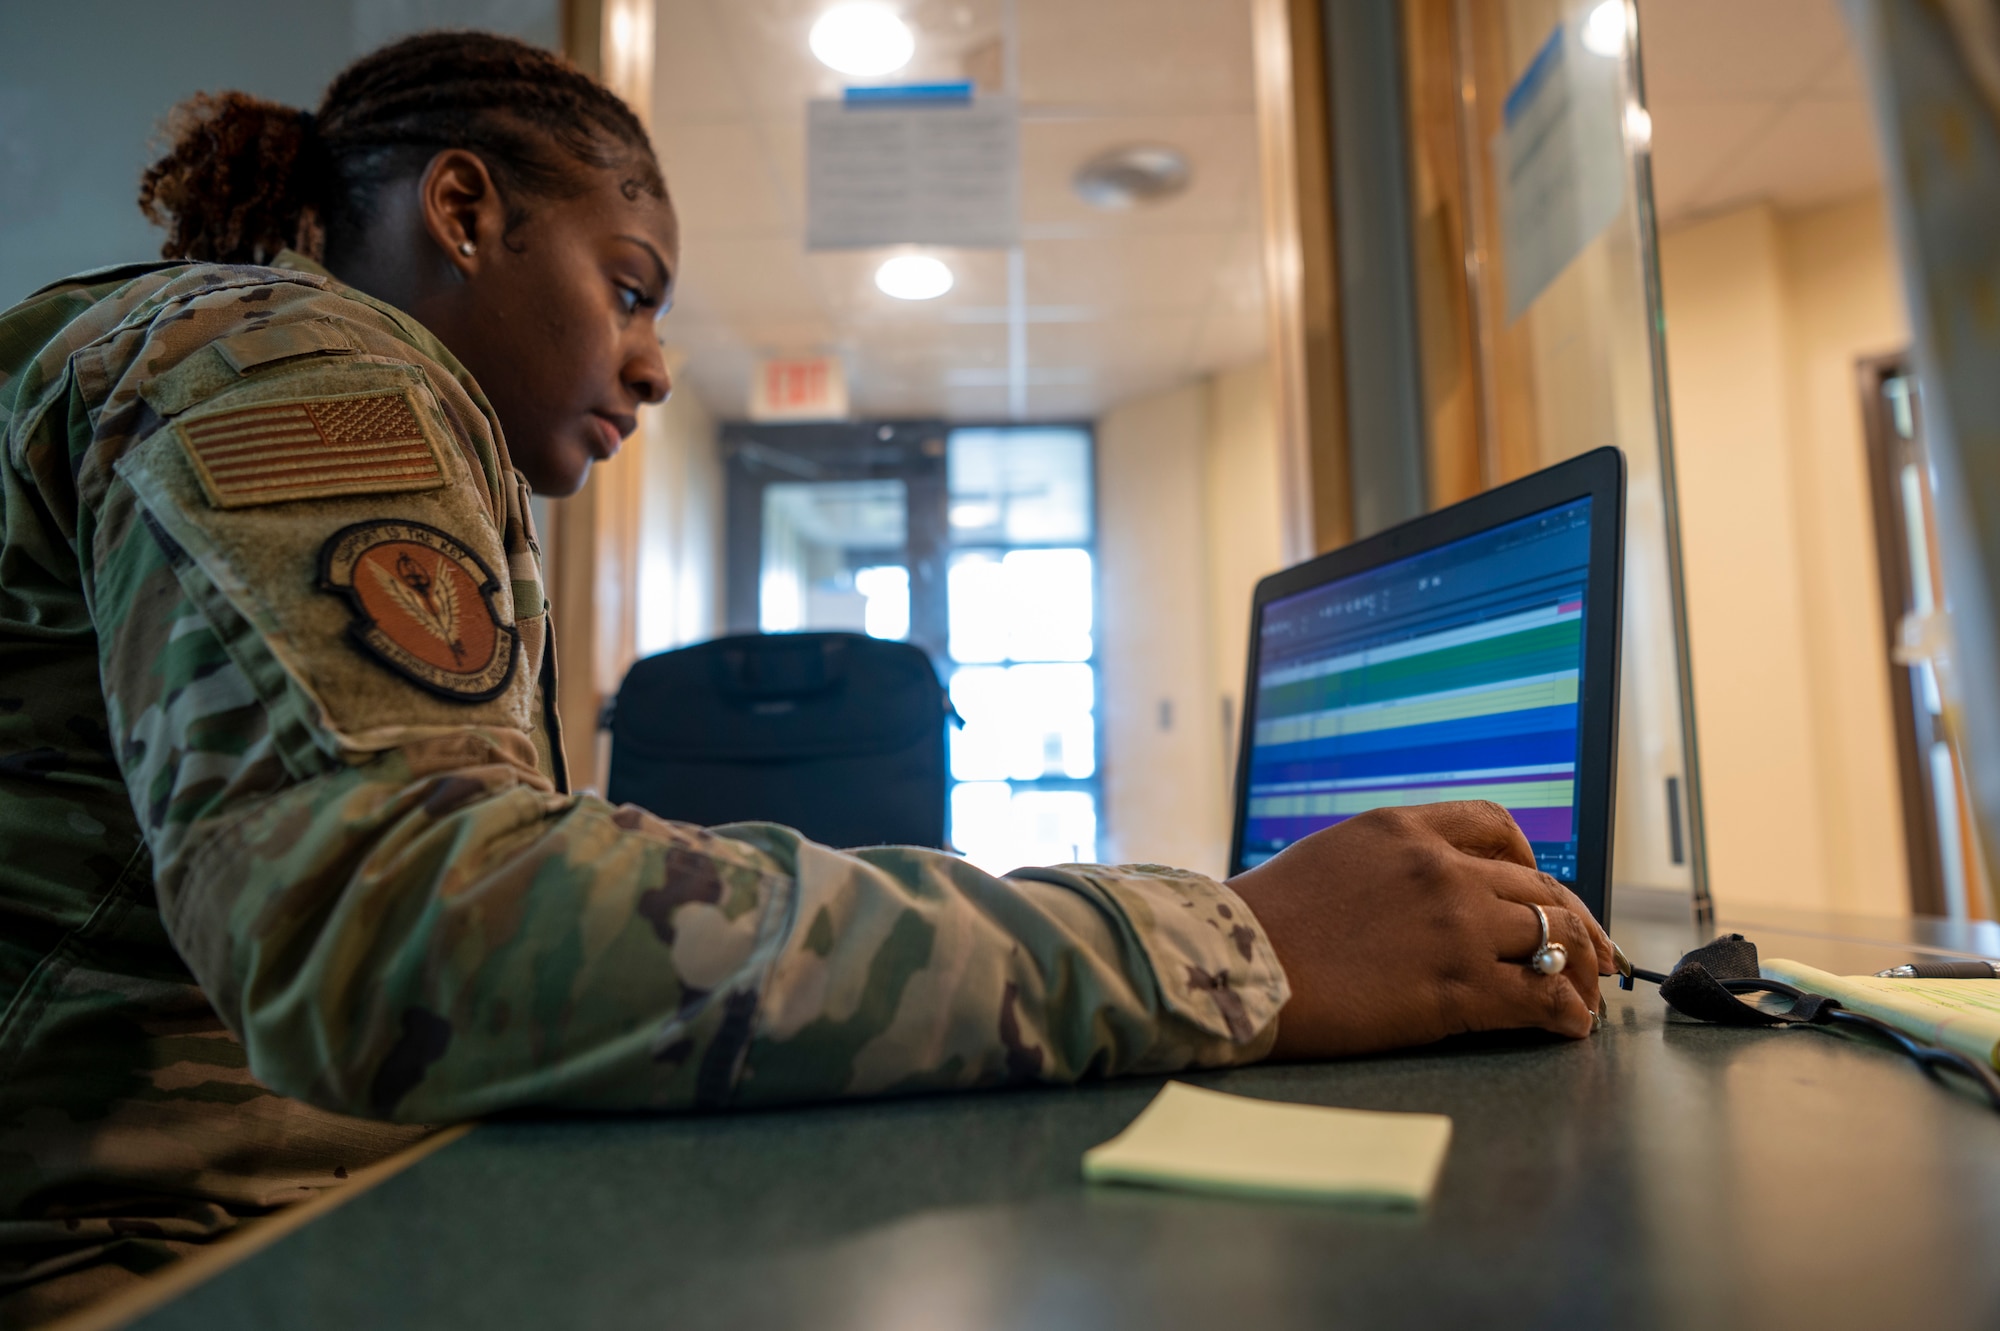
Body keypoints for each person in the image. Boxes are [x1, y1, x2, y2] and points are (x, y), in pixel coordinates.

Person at [0, 31, 1613, 1325]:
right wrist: (1229, 944)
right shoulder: (297, 358)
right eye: (629, 288)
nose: (652, 358)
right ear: (465, 210)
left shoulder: (255, 369)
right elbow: (408, 925)